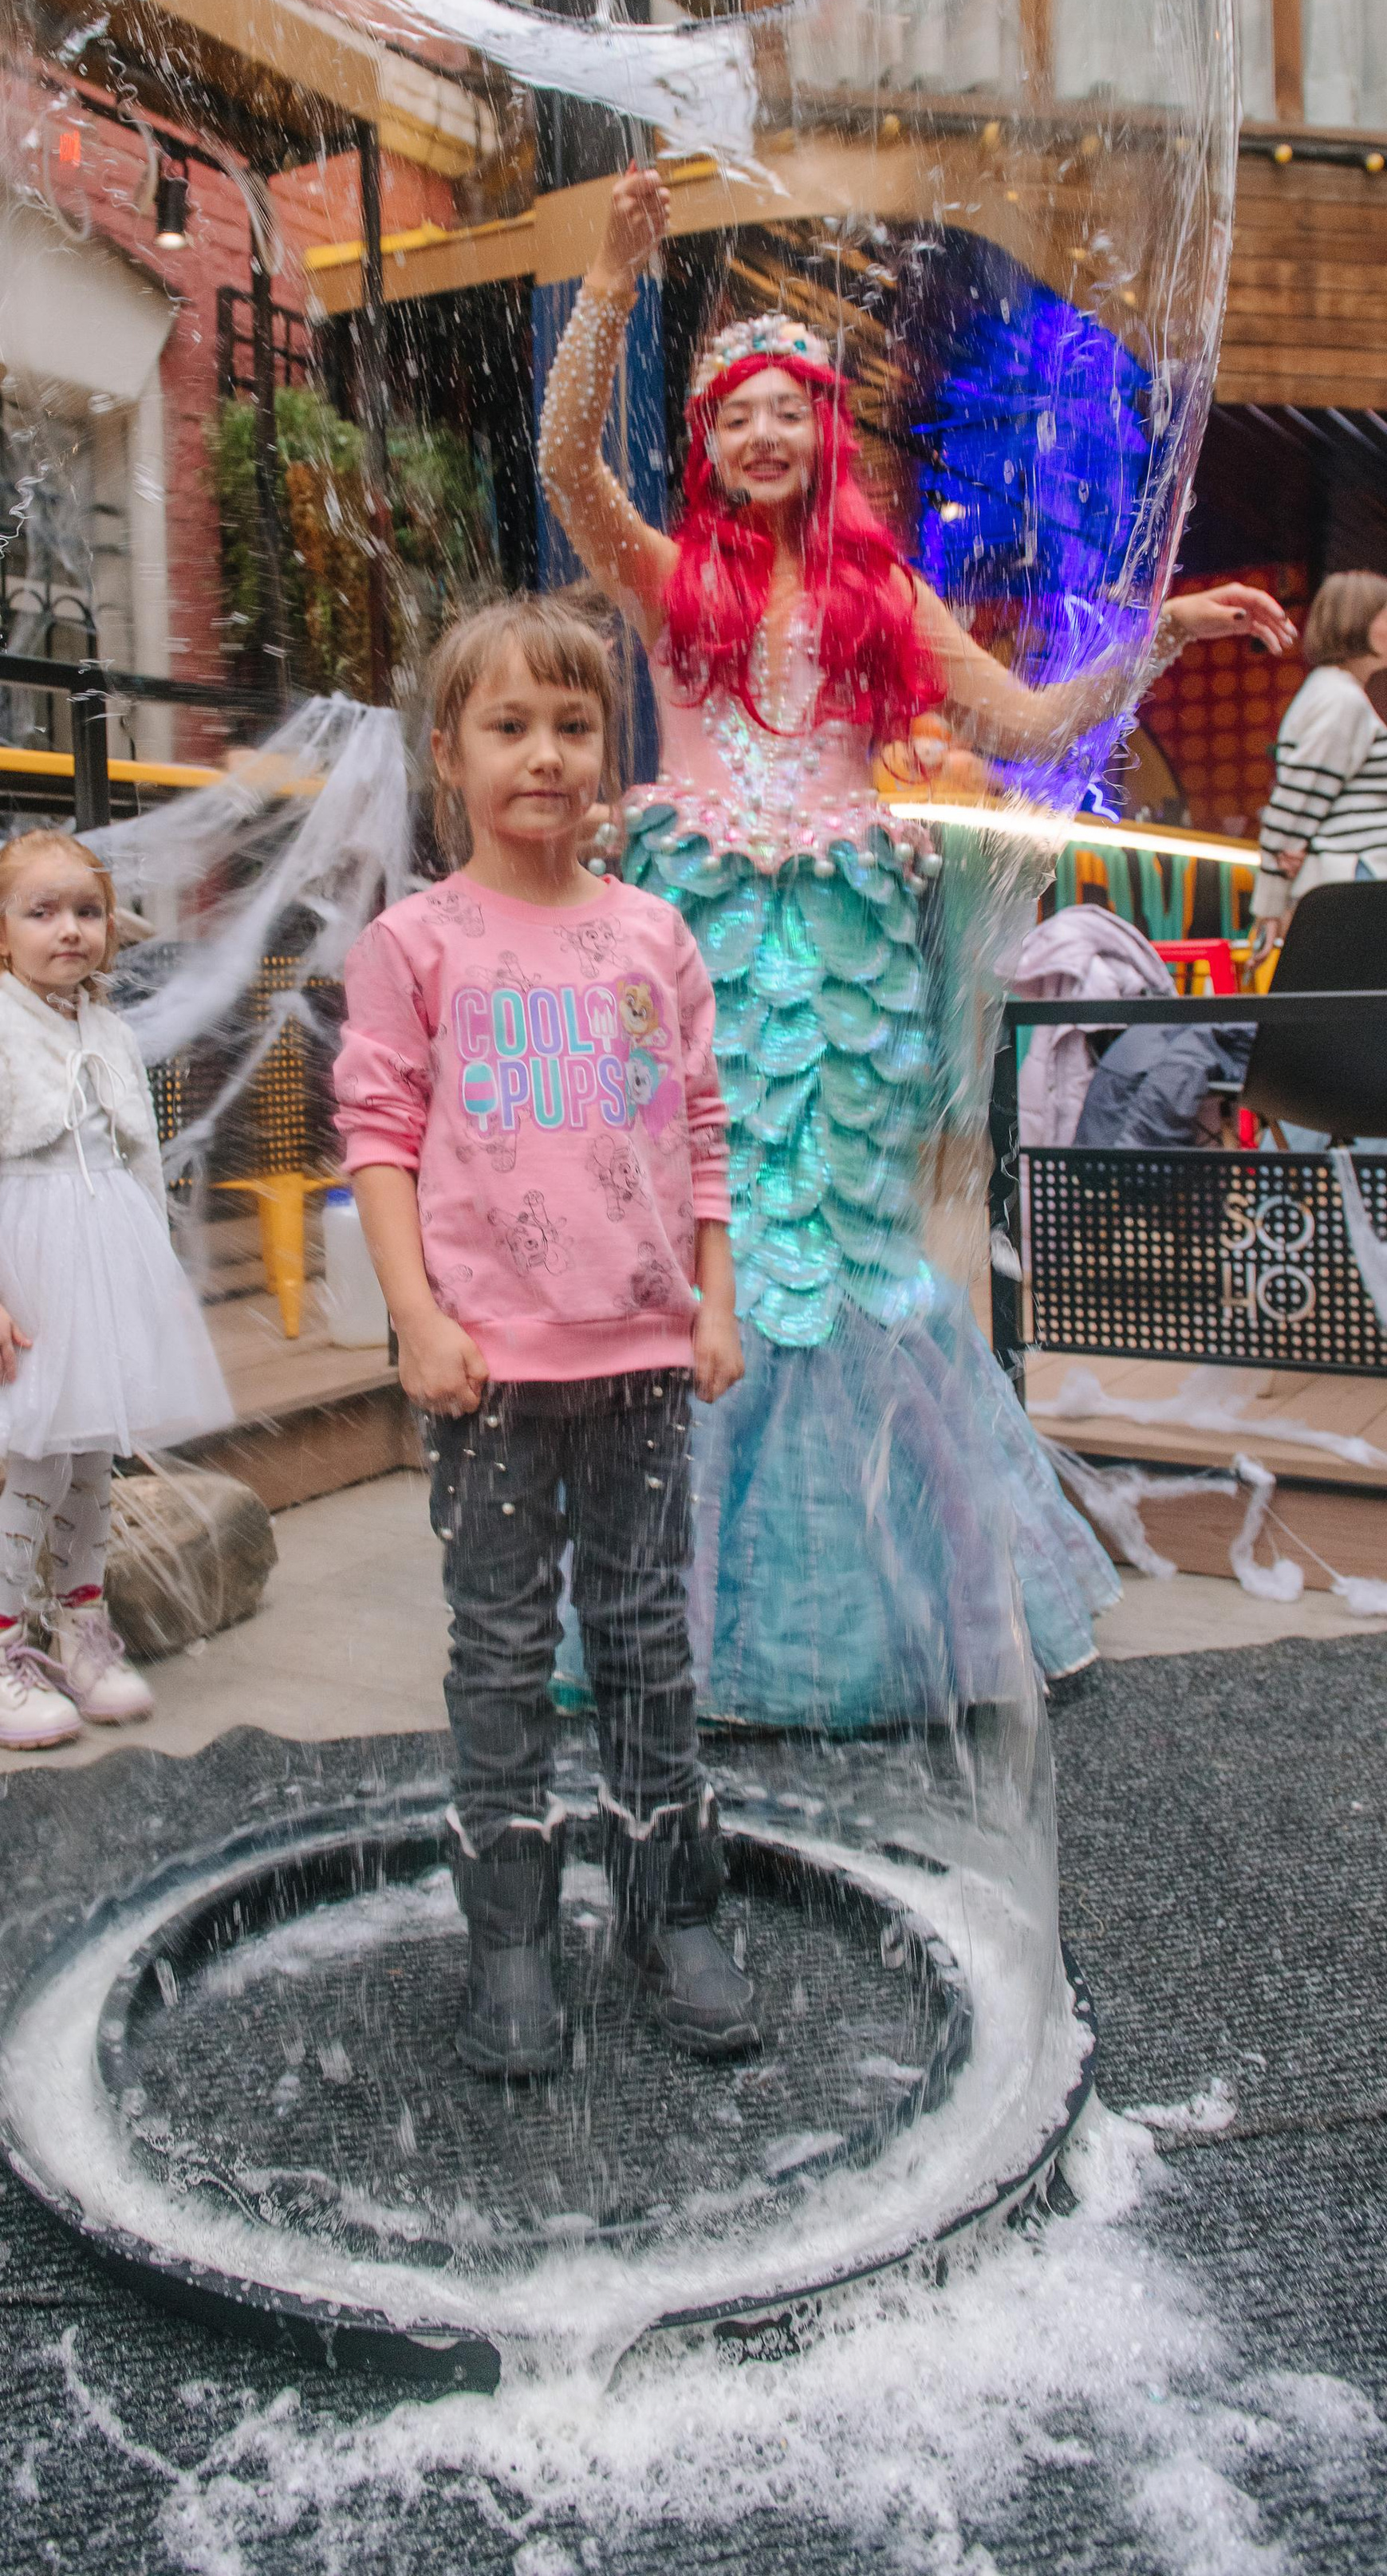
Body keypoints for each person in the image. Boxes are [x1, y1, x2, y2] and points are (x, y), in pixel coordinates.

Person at [538, 164, 1296, 1727]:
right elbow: (558, 459)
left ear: (824, 433)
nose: (759, 434)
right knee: (710, 1238)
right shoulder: (668, 577)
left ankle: (881, 1613)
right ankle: (681, 1612)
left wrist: (1161, 633)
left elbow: (1023, 721)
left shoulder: (882, 594)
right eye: (731, 412)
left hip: (851, 948)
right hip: (696, 943)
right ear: (704, 443)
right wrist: (610, 284)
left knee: (848, 1251)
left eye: (784, 409)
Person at [334, 595, 759, 2080]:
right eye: (509, 727)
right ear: (449, 753)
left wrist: (717, 1289)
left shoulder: (651, 937)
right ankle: (511, 1935)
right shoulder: (417, 943)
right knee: (504, 1649)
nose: (546, 755)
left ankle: (666, 1906)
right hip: (491, 1372)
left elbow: (700, 1126)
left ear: (610, 753)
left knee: (646, 1640)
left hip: (640, 1356)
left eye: (575, 727)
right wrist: (416, 1319)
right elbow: (378, 1134)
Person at [0, 830, 233, 1749]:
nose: (68, 929)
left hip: (103, 1258)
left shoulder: (105, 1029)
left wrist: (149, 1274)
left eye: (86, 911)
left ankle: (80, 1633)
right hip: (24, 1261)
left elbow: (140, 1155)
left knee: (89, 1465)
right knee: (37, 1466)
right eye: (42, 913)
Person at [1251, 573, 1387, 948]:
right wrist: (1270, 907)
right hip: (1355, 889)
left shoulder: (1333, 692)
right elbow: (1293, 807)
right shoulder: (1341, 700)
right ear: (1357, 623)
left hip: (1350, 887)